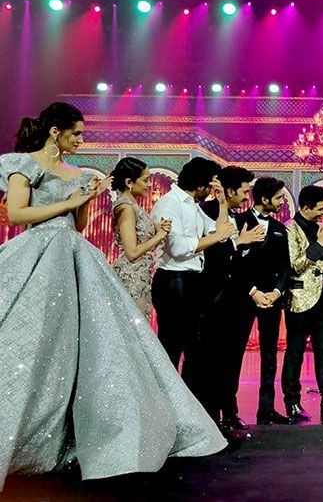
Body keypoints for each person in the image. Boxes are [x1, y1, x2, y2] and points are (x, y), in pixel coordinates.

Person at [0, 102, 226, 490]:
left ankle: (83, 434)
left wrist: (85, 200)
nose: (81, 140)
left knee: (87, 344)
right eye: (76, 133)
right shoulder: (23, 164)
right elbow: (17, 214)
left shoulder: (77, 172)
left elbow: (79, 225)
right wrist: (70, 201)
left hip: (74, 254)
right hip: (38, 254)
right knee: (33, 340)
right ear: (55, 131)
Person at [150, 157, 237, 394]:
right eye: (211, 185)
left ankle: (187, 403)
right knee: (171, 347)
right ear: (200, 185)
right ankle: (164, 401)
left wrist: (222, 203)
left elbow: (220, 230)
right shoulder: (170, 204)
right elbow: (179, 249)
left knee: (195, 349)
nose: (212, 191)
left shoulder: (192, 205)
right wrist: (216, 237)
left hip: (191, 282)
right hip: (173, 282)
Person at [198, 166, 265, 431]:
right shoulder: (206, 213)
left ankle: (230, 410)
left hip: (240, 299)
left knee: (234, 358)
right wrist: (238, 243)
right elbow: (211, 255)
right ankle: (210, 413)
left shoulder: (242, 217)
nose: (247, 196)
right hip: (214, 299)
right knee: (213, 359)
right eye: (244, 191)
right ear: (228, 191)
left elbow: (246, 262)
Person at [234, 177, 292, 425]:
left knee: (270, 356)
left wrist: (277, 292)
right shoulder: (239, 222)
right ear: (265, 199)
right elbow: (234, 264)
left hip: (272, 299)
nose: (281, 202)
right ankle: (229, 412)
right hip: (244, 298)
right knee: (235, 353)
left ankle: (266, 409)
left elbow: (285, 266)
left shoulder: (279, 228)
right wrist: (253, 291)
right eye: (278, 198)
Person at [282, 185, 323, 423]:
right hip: (300, 299)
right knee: (295, 353)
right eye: (320, 209)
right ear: (306, 207)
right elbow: (295, 265)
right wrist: (319, 243)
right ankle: (292, 403)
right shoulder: (289, 228)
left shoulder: (320, 228)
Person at [110, 157, 171, 321]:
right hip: (131, 277)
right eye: (145, 180)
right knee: (134, 327)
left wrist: (159, 228)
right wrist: (159, 235)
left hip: (141, 275)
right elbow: (132, 252)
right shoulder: (125, 208)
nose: (149, 184)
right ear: (129, 182)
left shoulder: (134, 206)